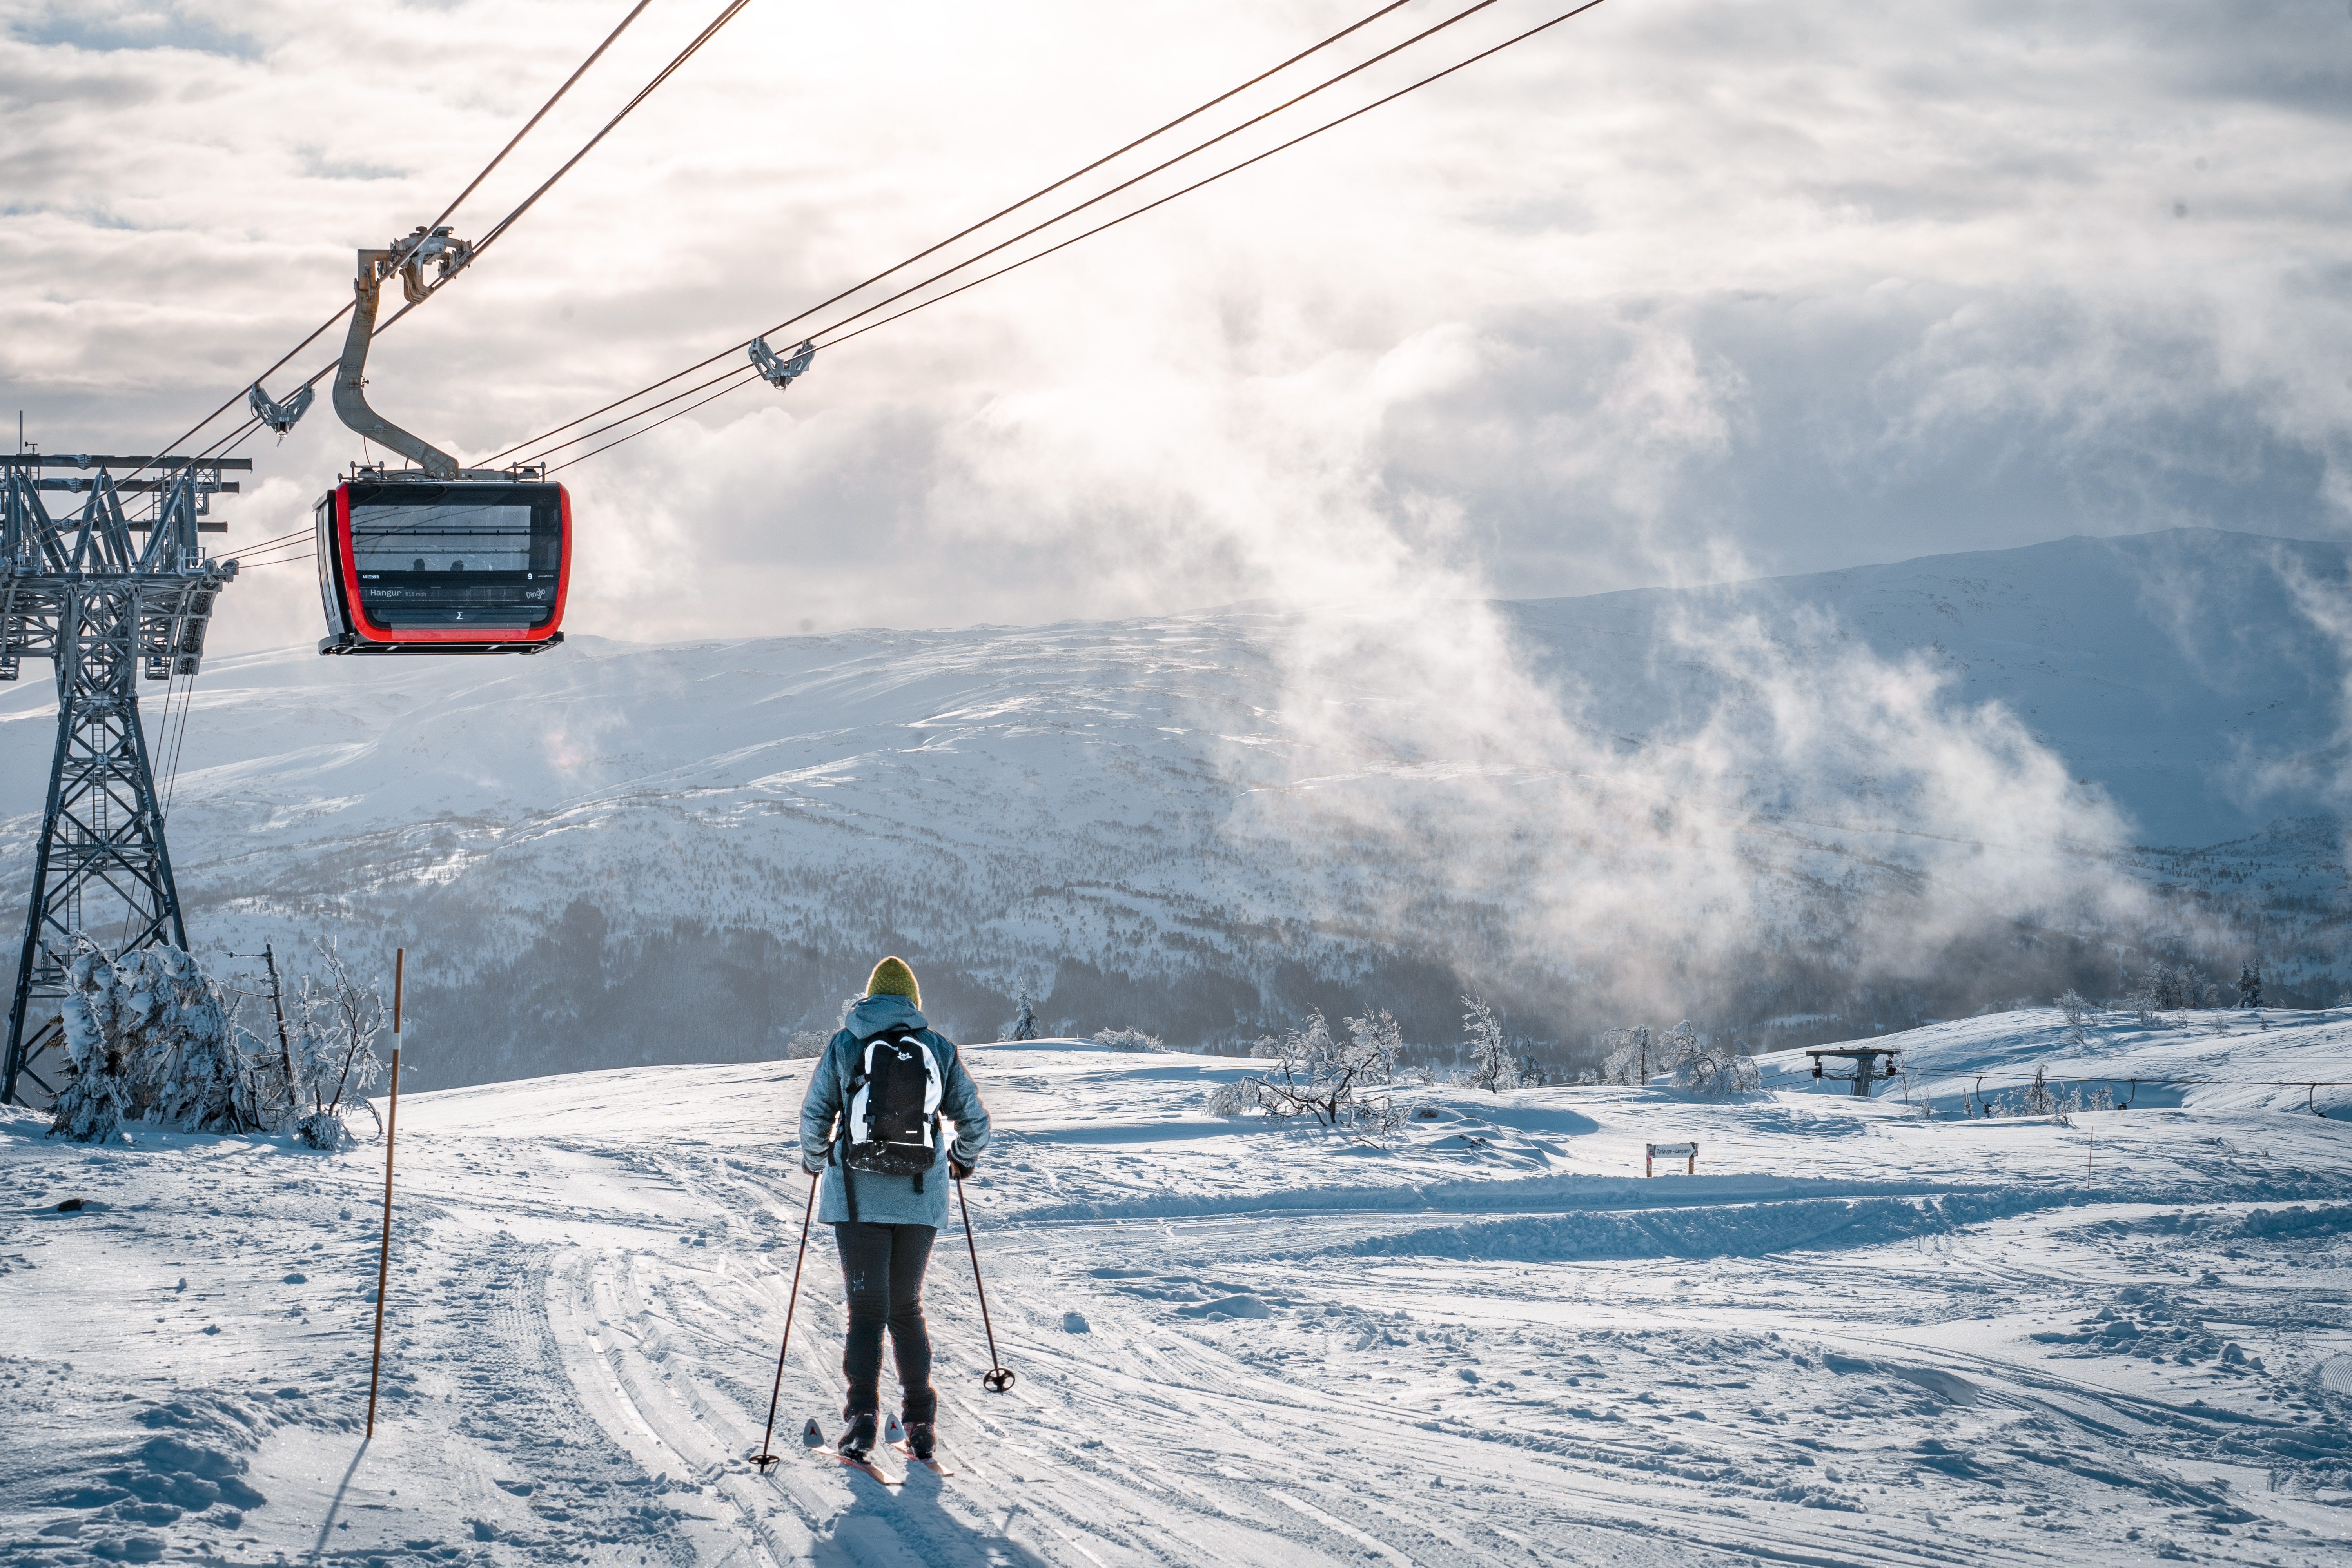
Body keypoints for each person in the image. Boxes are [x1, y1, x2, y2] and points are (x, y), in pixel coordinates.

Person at [798, 956, 990, 1463]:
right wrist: (960, 1161)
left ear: (870, 997)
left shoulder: (846, 1044)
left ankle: (862, 1416)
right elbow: (975, 1122)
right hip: (919, 1198)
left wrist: (816, 1161)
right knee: (906, 1310)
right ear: (912, 1001)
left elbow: (816, 1114)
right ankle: (921, 1421)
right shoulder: (938, 1049)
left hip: (856, 1199)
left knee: (866, 1310)